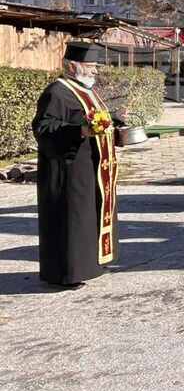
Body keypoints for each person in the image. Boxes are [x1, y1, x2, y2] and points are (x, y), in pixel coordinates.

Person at [32, 41, 124, 287]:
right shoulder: (57, 92)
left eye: (95, 66)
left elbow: (98, 122)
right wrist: (80, 131)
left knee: (88, 217)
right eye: (90, 66)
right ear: (72, 66)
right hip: (69, 171)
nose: (95, 71)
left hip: (93, 169)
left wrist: (115, 126)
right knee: (71, 220)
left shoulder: (86, 91)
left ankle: (89, 266)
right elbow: (44, 129)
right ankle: (67, 273)